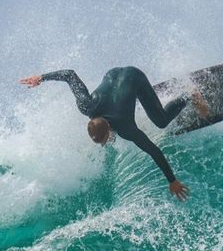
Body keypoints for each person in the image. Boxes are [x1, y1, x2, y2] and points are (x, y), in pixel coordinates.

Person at [19, 66, 209, 201]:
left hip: (135, 76)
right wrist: (41, 77)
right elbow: (69, 74)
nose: (107, 142)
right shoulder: (86, 106)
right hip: (113, 73)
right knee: (131, 101)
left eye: (106, 139)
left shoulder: (126, 127)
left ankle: (189, 96)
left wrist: (172, 181)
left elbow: (153, 150)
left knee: (160, 121)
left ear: (109, 127)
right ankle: (137, 96)